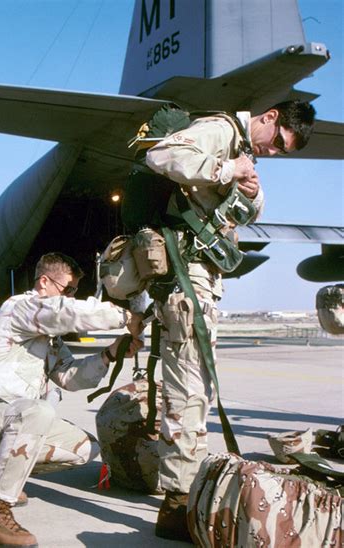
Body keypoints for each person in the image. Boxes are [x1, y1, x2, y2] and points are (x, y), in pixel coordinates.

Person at [128, 101, 316, 541]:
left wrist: (248, 188)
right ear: (270, 118)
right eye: (278, 143)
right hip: (185, 279)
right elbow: (162, 156)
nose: (274, 153)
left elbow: (248, 206)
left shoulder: (239, 148)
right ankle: (176, 503)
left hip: (200, 281)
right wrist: (228, 169)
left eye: (282, 153)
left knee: (197, 389)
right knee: (188, 390)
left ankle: (183, 490)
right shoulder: (218, 130)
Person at [0, 252, 143, 547]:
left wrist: (110, 354)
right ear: (44, 282)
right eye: (68, 289)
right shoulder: (19, 307)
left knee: (84, 449)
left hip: (3, 423)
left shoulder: (50, 340)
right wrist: (125, 317)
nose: (72, 296)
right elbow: (67, 312)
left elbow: (70, 377)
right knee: (36, 411)